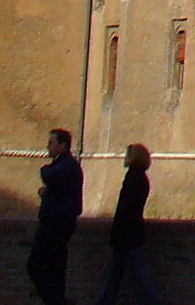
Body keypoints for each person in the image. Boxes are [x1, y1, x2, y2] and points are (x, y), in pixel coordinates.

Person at [92, 143, 163, 305]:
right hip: (131, 234)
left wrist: (117, 232)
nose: (125, 157)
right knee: (120, 276)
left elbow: (125, 208)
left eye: (128, 154)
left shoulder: (133, 177)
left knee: (131, 276)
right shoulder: (140, 177)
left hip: (126, 235)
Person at [29, 128, 85, 305]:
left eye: (52, 142)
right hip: (60, 221)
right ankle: (58, 300)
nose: (48, 146)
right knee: (55, 267)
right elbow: (62, 190)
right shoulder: (67, 165)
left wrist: (45, 169)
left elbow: (50, 176)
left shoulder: (66, 164)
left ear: (63, 145)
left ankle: (57, 302)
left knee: (35, 265)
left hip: (56, 223)